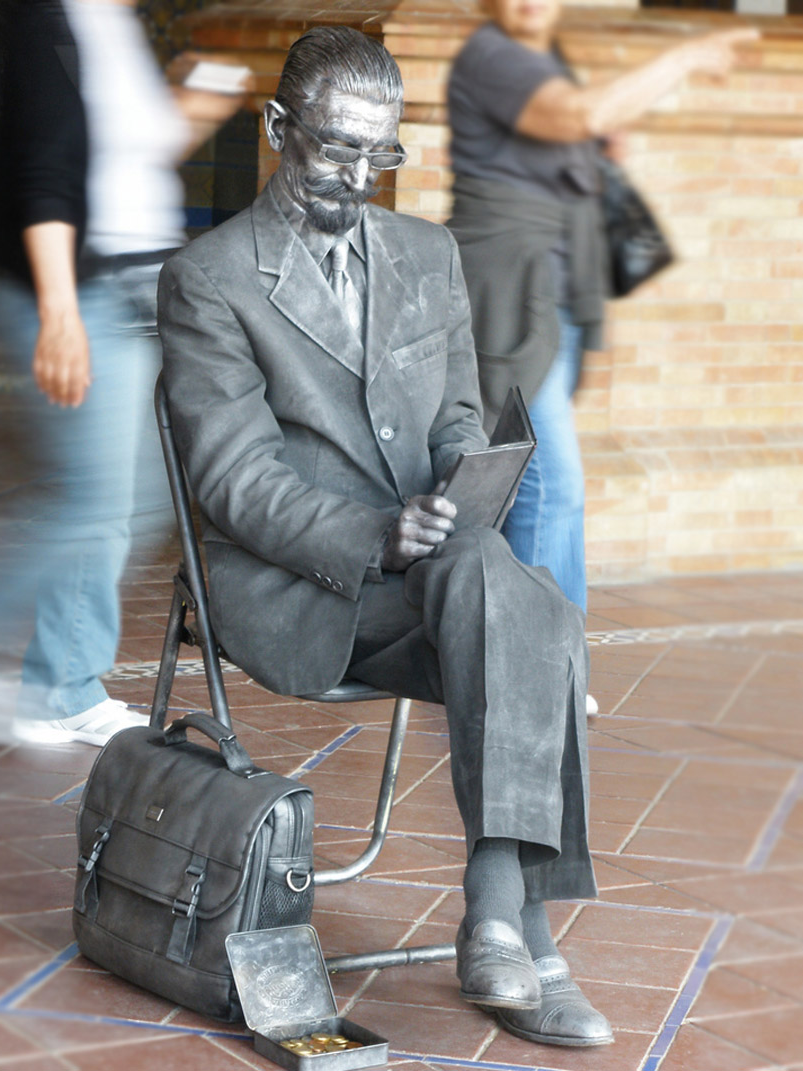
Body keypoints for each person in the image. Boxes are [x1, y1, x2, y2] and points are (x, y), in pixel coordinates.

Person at [159, 25, 610, 1048]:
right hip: (306, 584)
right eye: (333, 149)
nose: (358, 177)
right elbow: (233, 483)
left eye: (381, 153)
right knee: (535, 621)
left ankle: (503, 919)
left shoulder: (427, 252)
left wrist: (463, 478)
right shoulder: (211, 278)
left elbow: (454, 416)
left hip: (435, 569)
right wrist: (377, 531)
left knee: (499, 590)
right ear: (278, 129)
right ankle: (518, 934)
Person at [0, 0, 249, 746]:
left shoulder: (113, 25)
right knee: (92, 505)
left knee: (131, 500)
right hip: (72, 292)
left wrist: (198, 100)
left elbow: (133, 151)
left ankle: (60, 684)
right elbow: (45, 172)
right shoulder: (48, 21)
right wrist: (60, 314)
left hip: (124, 290)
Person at [447, 0, 757, 623]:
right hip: (514, 298)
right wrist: (687, 55)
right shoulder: (493, 54)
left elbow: (576, 133)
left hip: (548, 298)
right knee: (546, 485)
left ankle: (492, 652)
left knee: (512, 484)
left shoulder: (541, 57)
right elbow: (578, 114)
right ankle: (543, 668)